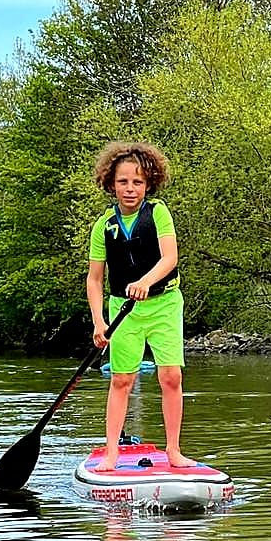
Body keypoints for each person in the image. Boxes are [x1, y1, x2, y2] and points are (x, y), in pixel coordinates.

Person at [86, 141, 190, 471]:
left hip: (164, 304)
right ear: (111, 184)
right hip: (122, 310)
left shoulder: (157, 213)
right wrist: (99, 321)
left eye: (138, 182)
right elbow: (94, 279)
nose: (130, 189)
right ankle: (112, 453)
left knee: (171, 377)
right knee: (121, 380)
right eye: (123, 182)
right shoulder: (104, 227)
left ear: (149, 183)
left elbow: (170, 258)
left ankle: (173, 451)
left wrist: (146, 281)